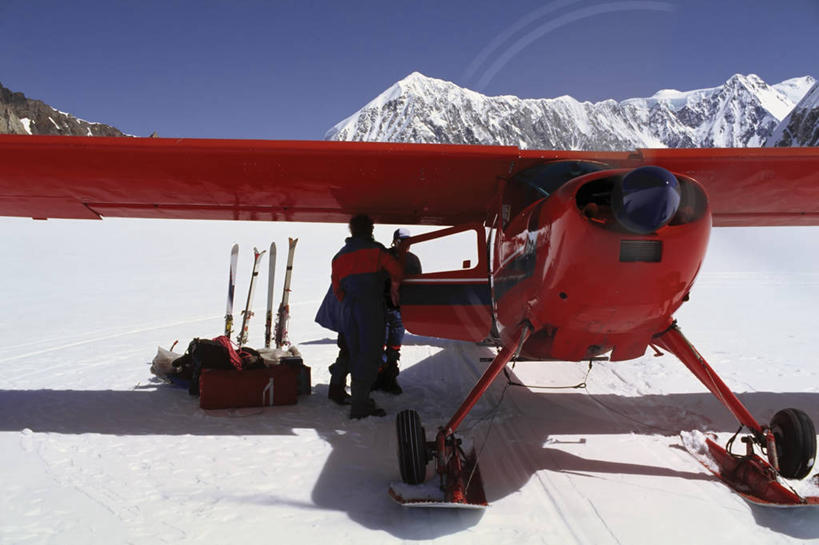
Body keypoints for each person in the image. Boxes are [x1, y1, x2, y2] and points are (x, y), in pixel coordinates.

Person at [331, 214, 403, 419]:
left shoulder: (339, 256)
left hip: (349, 310)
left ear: (352, 231)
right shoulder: (376, 250)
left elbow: (337, 290)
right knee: (370, 356)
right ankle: (360, 405)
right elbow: (397, 271)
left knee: (355, 353)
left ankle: (359, 399)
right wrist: (395, 287)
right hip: (370, 308)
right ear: (370, 230)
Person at [372, 228, 421, 395]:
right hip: (382, 309)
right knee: (379, 346)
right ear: (396, 241)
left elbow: (417, 285)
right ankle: (377, 378)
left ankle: (390, 379)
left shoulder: (413, 260)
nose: (405, 245)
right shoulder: (385, 256)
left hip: (400, 311)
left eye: (408, 241)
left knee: (394, 347)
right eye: (402, 241)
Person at [314, 285, 351, 405]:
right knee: (349, 352)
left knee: (346, 351)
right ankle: (337, 383)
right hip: (351, 310)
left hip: (346, 310)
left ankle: (337, 377)